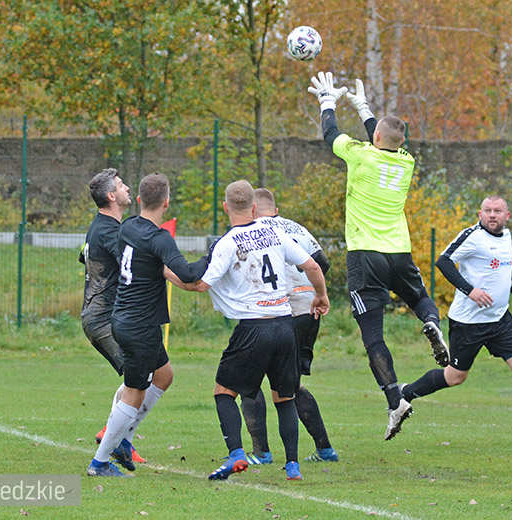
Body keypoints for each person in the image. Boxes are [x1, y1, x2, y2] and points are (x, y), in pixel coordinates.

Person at [307, 71, 450, 441]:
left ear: (374, 138)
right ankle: (431, 323)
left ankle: (394, 400)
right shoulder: (406, 162)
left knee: (373, 336)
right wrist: (364, 107)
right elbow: (383, 136)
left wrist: (327, 100)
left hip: (365, 255)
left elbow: (330, 135)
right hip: (398, 251)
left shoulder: (360, 156)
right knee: (419, 298)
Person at [166, 180, 329, 482]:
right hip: (285, 325)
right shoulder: (276, 231)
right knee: (285, 398)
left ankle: (236, 453)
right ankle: (292, 466)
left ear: (226, 207)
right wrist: (321, 295)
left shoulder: (228, 242)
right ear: (254, 207)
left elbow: (200, 284)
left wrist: (166, 273)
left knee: (224, 393)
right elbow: (314, 266)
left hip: (253, 327)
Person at [400, 195, 512, 445]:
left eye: (498, 211)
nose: (493, 215)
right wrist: (470, 290)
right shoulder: (472, 236)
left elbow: (503, 266)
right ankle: (405, 393)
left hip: (500, 318)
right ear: (480, 214)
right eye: (488, 210)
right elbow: (443, 262)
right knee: (455, 376)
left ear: (507, 215)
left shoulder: (507, 237)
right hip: (468, 323)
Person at [87, 173, 209, 477]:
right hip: (135, 325)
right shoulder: (158, 238)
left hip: (134, 321)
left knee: (164, 376)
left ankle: (124, 441)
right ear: (167, 202)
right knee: (134, 390)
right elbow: (188, 271)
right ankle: (100, 462)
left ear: (140, 201)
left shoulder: (128, 227)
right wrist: (217, 252)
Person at [236, 188, 338, 465]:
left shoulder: (254, 230)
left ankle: (261, 453)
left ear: (253, 210)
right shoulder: (296, 228)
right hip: (309, 310)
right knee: (290, 384)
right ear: (276, 209)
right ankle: (325, 449)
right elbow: (323, 263)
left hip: (277, 312)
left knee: (251, 381)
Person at [79, 168, 145, 464]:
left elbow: (85, 256)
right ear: (111, 196)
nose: (127, 187)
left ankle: (116, 435)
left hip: (108, 316)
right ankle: (113, 440)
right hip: (103, 319)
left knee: (154, 373)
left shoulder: (102, 227)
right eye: (121, 185)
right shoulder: (109, 231)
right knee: (140, 376)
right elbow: (131, 268)